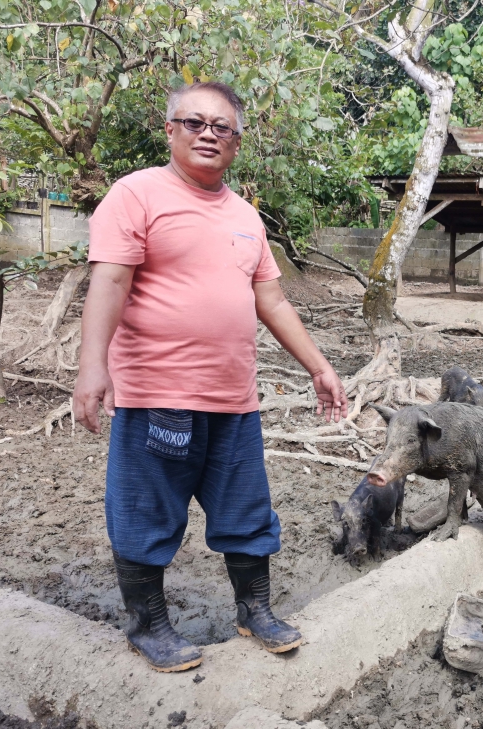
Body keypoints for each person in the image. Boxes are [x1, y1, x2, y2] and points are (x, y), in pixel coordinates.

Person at [72, 81, 348, 673]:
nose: (208, 134)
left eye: (222, 127)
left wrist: (320, 368)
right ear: (170, 129)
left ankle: (254, 610)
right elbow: (111, 282)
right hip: (158, 397)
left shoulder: (247, 217)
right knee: (147, 512)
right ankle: (148, 625)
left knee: (246, 510)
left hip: (234, 402)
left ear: (237, 142)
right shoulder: (136, 194)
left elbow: (271, 300)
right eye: (194, 122)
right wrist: (92, 366)